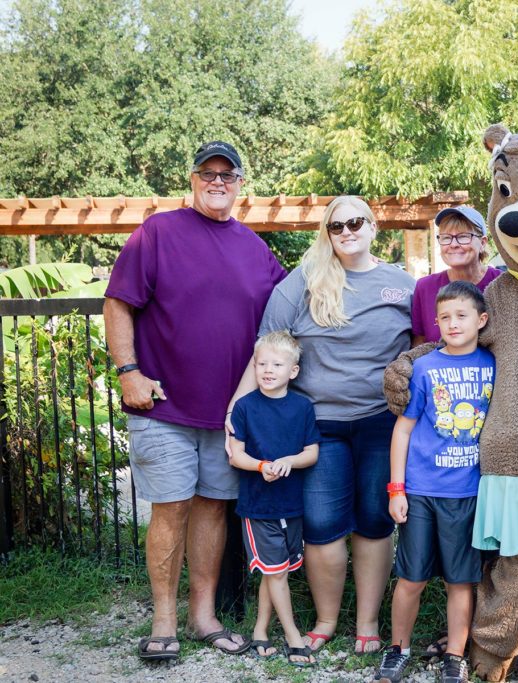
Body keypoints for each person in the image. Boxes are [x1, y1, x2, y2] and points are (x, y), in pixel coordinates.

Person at [104, 140, 286, 661]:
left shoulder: (254, 247)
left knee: (211, 509)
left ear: (240, 184)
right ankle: (164, 619)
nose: (218, 182)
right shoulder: (158, 232)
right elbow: (118, 302)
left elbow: (293, 304)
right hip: (163, 406)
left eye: (228, 175)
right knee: (172, 508)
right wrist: (128, 371)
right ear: (193, 179)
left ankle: (202, 615)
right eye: (209, 173)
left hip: (229, 414)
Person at [230, 195, 415, 655]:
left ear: (374, 227)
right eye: (336, 226)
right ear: (326, 234)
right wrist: (233, 417)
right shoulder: (302, 283)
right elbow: (264, 351)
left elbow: (424, 349)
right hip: (319, 426)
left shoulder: (402, 285)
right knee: (322, 523)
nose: (347, 231)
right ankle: (327, 620)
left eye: (356, 222)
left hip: (380, 422)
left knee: (374, 522)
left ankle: (368, 624)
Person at [376, 280, 495, 683]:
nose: (452, 323)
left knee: (461, 580)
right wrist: (397, 488)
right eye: (444, 317)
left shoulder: (493, 365)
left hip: (468, 492)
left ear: (481, 320)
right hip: (423, 491)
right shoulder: (424, 367)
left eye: (461, 316)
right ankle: (398, 649)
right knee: (412, 577)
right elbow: (404, 430)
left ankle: (455, 656)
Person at [227, 331, 320, 667]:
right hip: (258, 505)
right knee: (277, 572)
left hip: (290, 503)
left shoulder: (302, 407)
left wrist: (288, 462)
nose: (267, 369)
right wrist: (262, 465)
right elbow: (236, 456)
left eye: (276, 364)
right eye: (261, 363)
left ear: (292, 371)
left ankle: (261, 631)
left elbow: (312, 452)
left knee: (276, 571)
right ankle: (294, 637)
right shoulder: (244, 407)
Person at [410, 205, 502, 346]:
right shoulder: (425, 287)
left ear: (483, 243)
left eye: (463, 236)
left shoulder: (502, 283)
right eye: (446, 238)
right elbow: (418, 344)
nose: (453, 244)